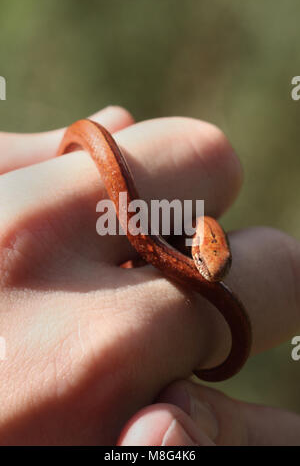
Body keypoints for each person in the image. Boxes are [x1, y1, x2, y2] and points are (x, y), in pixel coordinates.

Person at [0, 106, 299, 446]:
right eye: (199, 260)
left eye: (222, 266)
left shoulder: (203, 245)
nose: (208, 274)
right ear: (197, 248)